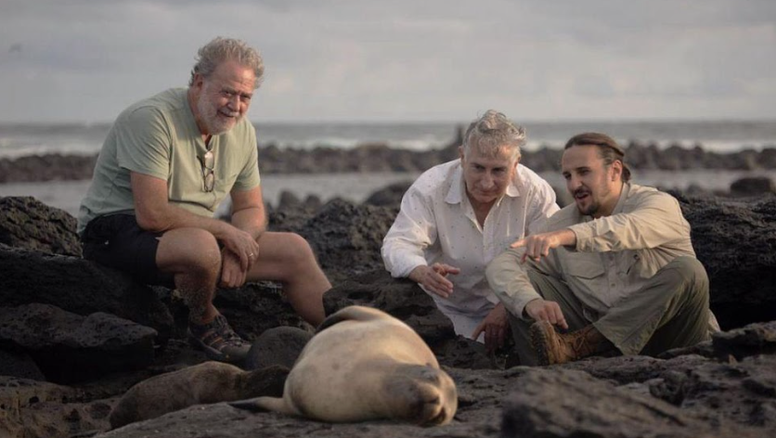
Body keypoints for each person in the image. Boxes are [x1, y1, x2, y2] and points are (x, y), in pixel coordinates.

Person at [77, 37, 331, 364]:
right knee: (202, 247)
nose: (235, 105)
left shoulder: (242, 132)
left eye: (245, 97)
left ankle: (352, 333)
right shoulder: (151, 119)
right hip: (116, 232)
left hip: (188, 234)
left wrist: (242, 248)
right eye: (227, 92)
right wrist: (225, 234)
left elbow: (250, 208)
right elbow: (152, 215)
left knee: (293, 250)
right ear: (199, 82)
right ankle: (204, 322)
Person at [486, 132, 719, 366]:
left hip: (675, 340)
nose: (574, 185)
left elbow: (626, 228)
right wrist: (528, 302)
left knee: (689, 271)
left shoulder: (658, 204)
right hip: (594, 342)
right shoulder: (562, 222)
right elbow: (503, 263)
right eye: (568, 176)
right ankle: (542, 378)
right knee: (531, 282)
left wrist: (567, 236)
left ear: (615, 171)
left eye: (584, 172)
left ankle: (583, 347)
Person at [381, 110, 559, 351]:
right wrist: (422, 271)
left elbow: (553, 257)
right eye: (477, 168)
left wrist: (508, 306)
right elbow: (397, 244)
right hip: (445, 310)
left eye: (498, 171)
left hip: (519, 303)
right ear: (462, 157)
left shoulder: (535, 191)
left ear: (515, 165)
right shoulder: (431, 187)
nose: (486, 182)